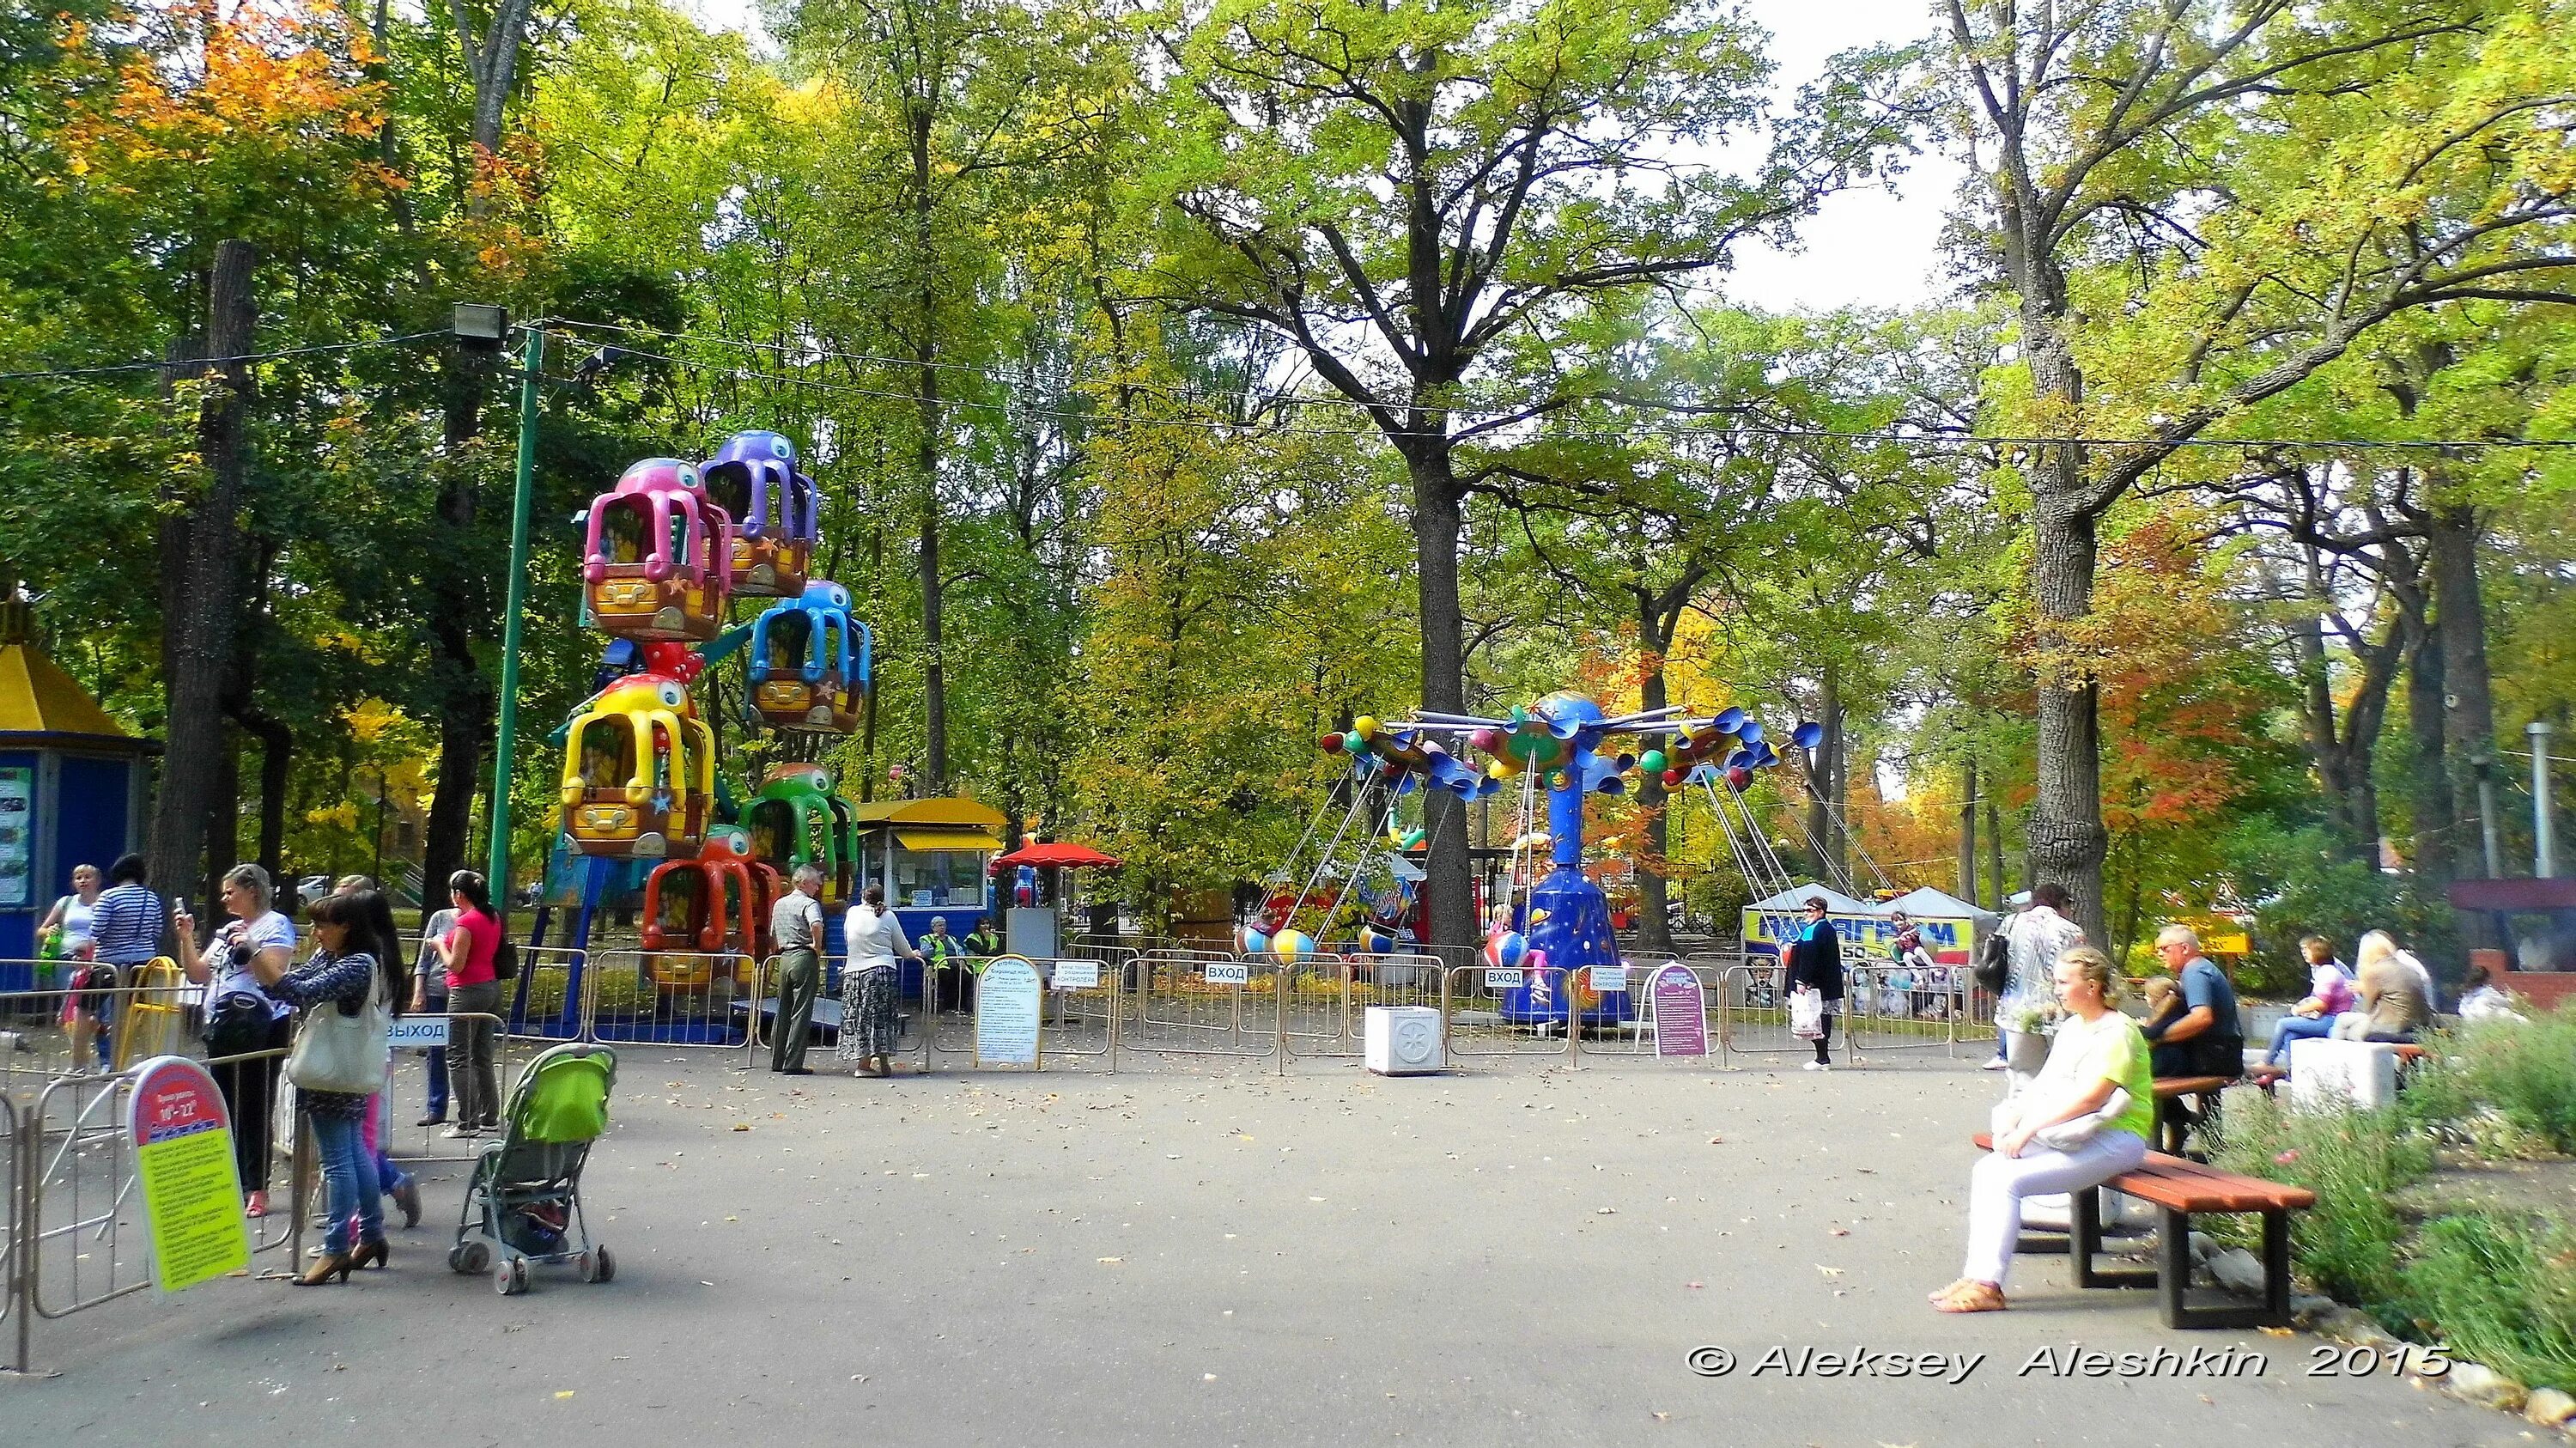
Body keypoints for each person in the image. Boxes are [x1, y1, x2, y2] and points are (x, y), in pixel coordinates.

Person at [1931, 946, 2154, 1314]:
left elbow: (2092, 1099)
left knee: (2008, 1181)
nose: (2058, 989)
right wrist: (2013, 1119)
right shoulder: (2073, 1027)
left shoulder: (2117, 1032)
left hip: (2116, 1138)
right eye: (2056, 982)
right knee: (1988, 1169)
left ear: (2094, 986)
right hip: (2071, 1135)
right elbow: (2044, 1085)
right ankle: (1975, 1277)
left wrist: (2029, 1129)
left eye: (2065, 982)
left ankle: (1988, 1286)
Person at [244, 887, 405, 1284]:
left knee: (338, 1161)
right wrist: (257, 961)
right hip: (342, 1071)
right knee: (353, 1153)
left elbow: (298, 991)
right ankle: (370, 1234)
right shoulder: (337, 958)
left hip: (333, 1073)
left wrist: (252, 952)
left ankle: (335, 1249)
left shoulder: (355, 966)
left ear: (346, 927)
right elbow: (286, 983)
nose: (315, 932)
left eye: (322, 924)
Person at [172, 864, 298, 1219]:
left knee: (255, 1105)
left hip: (262, 1025)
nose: (225, 898)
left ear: (253, 890)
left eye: (231, 892)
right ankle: (229, 1180)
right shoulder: (227, 929)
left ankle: (256, 1187)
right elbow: (197, 974)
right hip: (223, 1026)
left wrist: (251, 947)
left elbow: (274, 978)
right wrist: (186, 937)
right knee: (224, 1104)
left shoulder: (276, 925)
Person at [423, 871, 502, 1132]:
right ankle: (490, 1116)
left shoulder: (467, 923)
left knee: (458, 1056)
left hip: (466, 991)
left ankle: (468, 1120)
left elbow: (455, 964)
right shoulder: (492, 917)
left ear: (459, 895)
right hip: (490, 987)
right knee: (482, 1055)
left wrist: (438, 945)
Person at [78, 853, 167, 1071]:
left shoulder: (109, 897)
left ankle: (79, 1065)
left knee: (84, 1009)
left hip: (109, 963)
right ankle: (128, 1065)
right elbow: (157, 931)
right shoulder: (151, 897)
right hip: (143, 963)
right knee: (128, 1013)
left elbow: (96, 930)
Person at [1984, 884, 2086, 1070]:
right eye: (2069, 905)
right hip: (2057, 1010)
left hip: (2016, 1009)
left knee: (2022, 1076)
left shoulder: (2011, 922)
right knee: (2064, 1071)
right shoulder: (2071, 930)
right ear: (2062, 903)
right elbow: (2080, 968)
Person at [839, 885, 920, 1078]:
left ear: (862, 897)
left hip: (855, 972)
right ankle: (872, 1065)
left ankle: (867, 1062)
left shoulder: (852, 913)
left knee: (861, 1018)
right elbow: (903, 948)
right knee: (882, 1018)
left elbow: (847, 938)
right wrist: (913, 954)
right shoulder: (888, 916)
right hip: (882, 972)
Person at [2142, 924, 2245, 1076]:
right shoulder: (2202, 968)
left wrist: (2157, 1038)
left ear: (2184, 948)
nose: (2159, 954)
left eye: (2165, 948)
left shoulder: (2195, 972)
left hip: (2214, 1058)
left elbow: (2202, 1018)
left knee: (2138, 1072)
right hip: (2223, 1054)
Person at [767, 865, 826, 1075]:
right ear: (802, 882)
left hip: (784, 957)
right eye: (815, 883)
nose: (818, 887)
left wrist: (776, 950)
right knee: (801, 1011)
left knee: (783, 1008)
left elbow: (772, 932)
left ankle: (777, 1060)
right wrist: (817, 947)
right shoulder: (809, 904)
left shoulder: (779, 904)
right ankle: (793, 1063)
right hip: (803, 956)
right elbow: (816, 925)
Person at [2263, 935, 2355, 1065]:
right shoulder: (2324, 971)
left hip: (2333, 1020)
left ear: (2318, 951)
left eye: (2307, 949)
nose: (2304, 953)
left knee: (2283, 1023)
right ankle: (2292, 1072)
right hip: (2328, 1018)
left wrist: (2297, 1010)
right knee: (2291, 1035)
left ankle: (2267, 1061)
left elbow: (2321, 1004)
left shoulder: (2328, 973)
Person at [2336, 929, 2432, 1043]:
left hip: (2392, 1028)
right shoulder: (2410, 969)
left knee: (2345, 1023)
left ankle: (2335, 1059)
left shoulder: (2374, 972)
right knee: (2348, 1023)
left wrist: (2364, 990)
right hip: (2417, 1026)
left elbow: (2367, 1009)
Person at [1783, 896, 1844, 1071]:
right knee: (1820, 1019)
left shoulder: (1815, 930)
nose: (1806, 914)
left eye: (1810, 910)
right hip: (1823, 983)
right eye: (1805, 910)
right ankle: (1823, 1057)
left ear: (1821, 911)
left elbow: (1810, 956)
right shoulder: (1823, 929)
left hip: (1814, 985)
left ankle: (1822, 1058)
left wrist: (1802, 980)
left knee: (1815, 1020)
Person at [410, 906, 457, 1125]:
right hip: (437, 988)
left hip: (464, 991)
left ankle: (471, 1110)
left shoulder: (483, 918)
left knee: (464, 1052)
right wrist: (419, 991)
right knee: (435, 1051)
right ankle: (436, 1107)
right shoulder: (440, 917)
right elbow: (424, 958)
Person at [38, 862, 102, 976]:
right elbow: (40, 930)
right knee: (67, 994)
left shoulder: (105, 902)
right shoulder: (65, 902)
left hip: (96, 961)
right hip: (66, 959)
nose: (83, 881)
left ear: (98, 881)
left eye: (88, 877)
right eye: (78, 878)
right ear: (74, 883)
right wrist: (49, 931)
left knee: (92, 994)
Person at [2456, 957, 2526, 1023]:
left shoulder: (2465, 997)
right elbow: (2506, 1003)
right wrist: (2513, 998)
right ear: (2487, 979)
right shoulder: (2487, 992)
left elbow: (2461, 1011)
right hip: (2488, 1023)